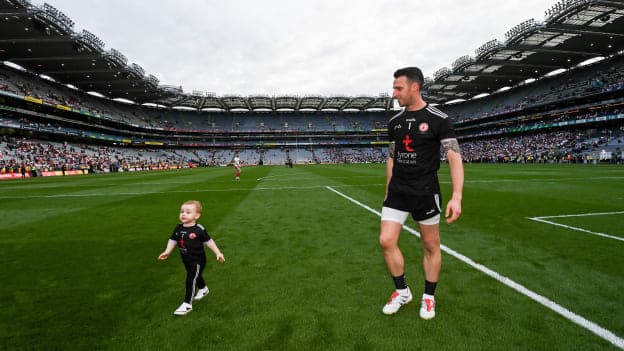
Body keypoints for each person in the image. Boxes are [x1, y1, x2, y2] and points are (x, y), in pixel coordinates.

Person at [380, 67, 464, 319]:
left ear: (414, 87)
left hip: (425, 191)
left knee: (430, 244)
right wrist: (387, 189)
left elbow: (454, 156)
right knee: (386, 240)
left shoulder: (438, 118)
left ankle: (429, 297)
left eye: (399, 88)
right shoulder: (394, 122)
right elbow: (392, 158)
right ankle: (402, 291)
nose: (394, 93)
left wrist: (457, 196)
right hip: (398, 191)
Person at [158, 200, 225, 315]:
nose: (183, 214)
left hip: (198, 260)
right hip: (186, 259)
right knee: (195, 276)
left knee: (191, 279)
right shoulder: (178, 228)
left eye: (188, 212)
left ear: (196, 215)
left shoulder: (199, 229)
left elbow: (209, 241)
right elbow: (173, 239)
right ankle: (203, 289)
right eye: (182, 211)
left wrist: (218, 253)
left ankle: (187, 304)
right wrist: (167, 251)